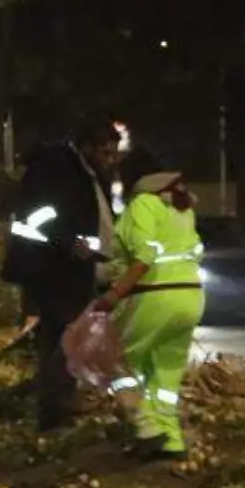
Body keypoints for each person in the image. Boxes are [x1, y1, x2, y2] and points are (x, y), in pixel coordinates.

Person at [1, 121, 123, 430]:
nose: (111, 160)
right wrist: (69, 242)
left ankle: (59, 405)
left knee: (68, 340)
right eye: (106, 153)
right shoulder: (57, 171)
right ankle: (54, 411)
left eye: (114, 154)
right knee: (65, 341)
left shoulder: (86, 175)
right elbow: (36, 217)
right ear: (87, 148)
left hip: (73, 271)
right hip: (55, 272)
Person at [94, 151, 204, 461]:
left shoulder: (143, 204)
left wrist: (114, 294)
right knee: (166, 373)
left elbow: (145, 257)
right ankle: (170, 441)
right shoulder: (182, 208)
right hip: (191, 296)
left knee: (114, 359)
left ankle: (144, 427)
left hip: (155, 294)